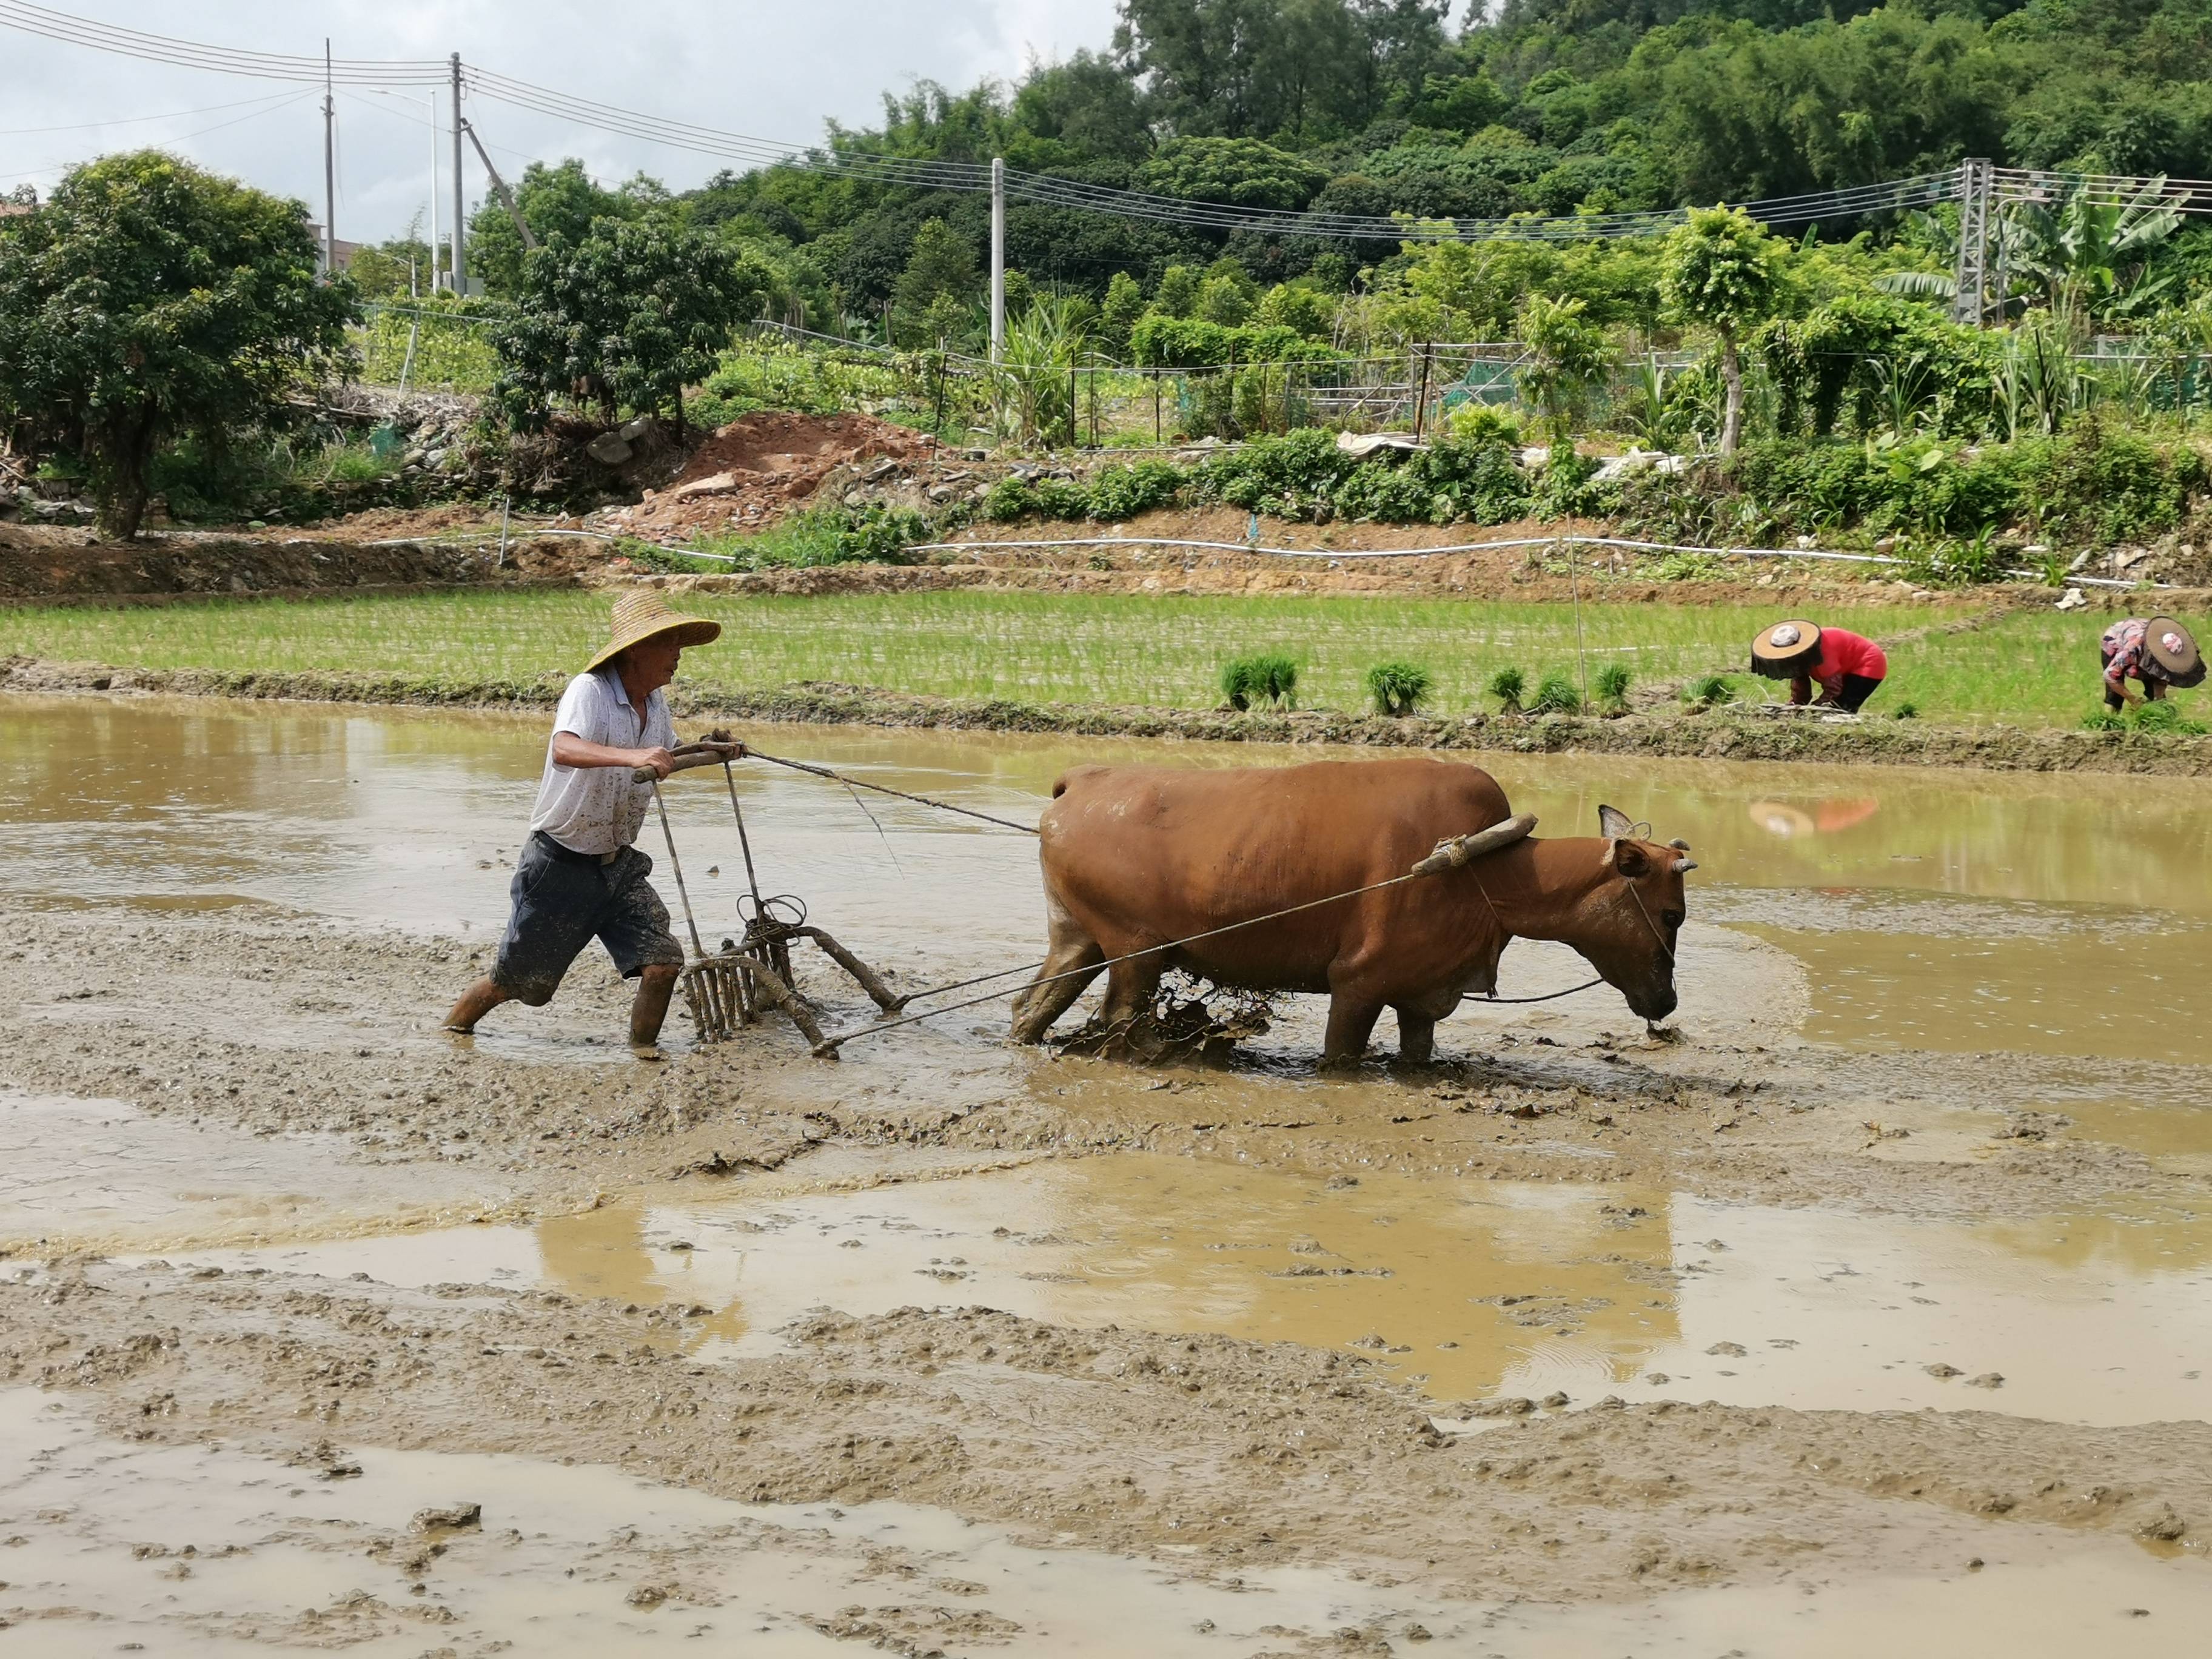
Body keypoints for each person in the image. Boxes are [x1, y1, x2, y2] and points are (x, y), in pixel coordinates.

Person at [444, 591, 733, 1060]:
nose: (679, 656)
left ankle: (644, 1053)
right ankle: (453, 1032)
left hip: (618, 866)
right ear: (638, 648)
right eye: (671, 644)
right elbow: (565, 748)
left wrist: (713, 751)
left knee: (663, 964)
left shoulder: (654, 704)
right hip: (560, 864)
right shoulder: (591, 689)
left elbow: (666, 759)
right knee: (520, 984)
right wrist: (632, 756)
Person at [1749, 620, 1888, 714]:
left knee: (1840, 709)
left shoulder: (1823, 652)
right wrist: (1795, 707)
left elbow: (1833, 689)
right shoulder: (1801, 658)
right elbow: (1801, 688)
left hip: (1868, 663)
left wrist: (1815, 709)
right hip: (1846, 666)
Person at [2101, 615, 2204, 711]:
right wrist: (2133, 700)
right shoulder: (2131, 650)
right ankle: (2108, 723)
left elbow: (2162, 678)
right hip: (2116, 640)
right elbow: (2110, 676)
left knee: (2159, 703)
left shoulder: (2167, 654)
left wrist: (2157, 699)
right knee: (2115, 696)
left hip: (2141, 639)